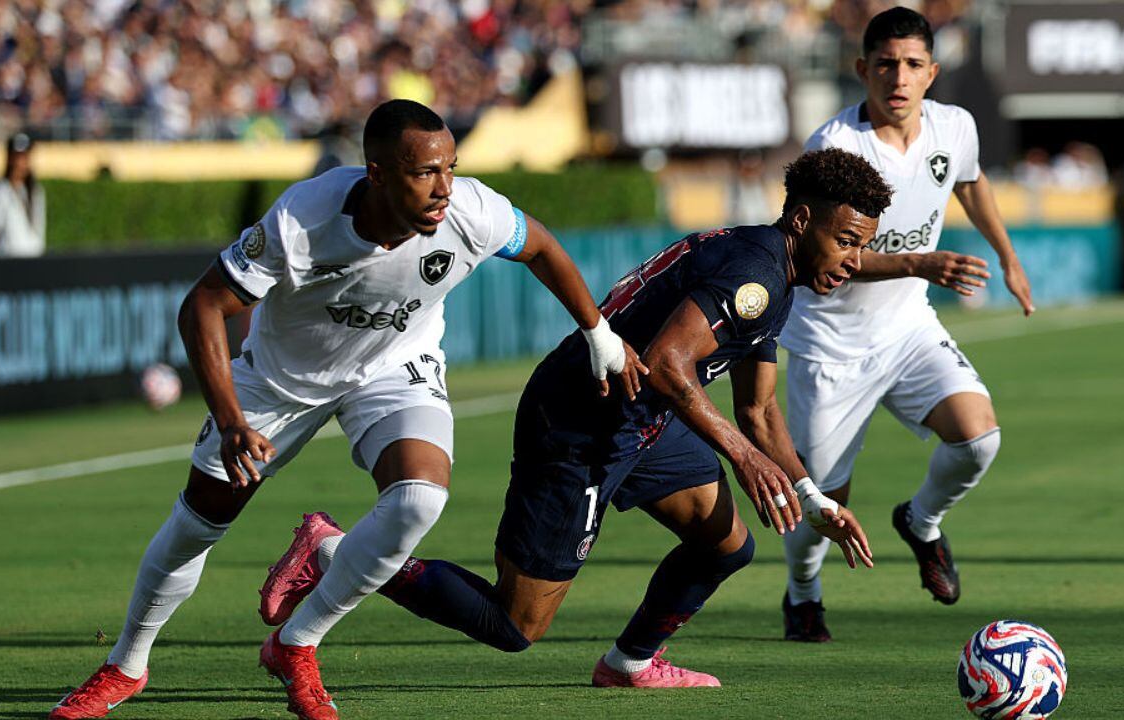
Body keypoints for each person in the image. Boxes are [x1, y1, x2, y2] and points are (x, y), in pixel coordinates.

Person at [47, 99, 640, 720]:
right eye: (424, 174)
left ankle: (296, 642)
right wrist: (230, 420)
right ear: (376, 174)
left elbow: (541, 246)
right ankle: (126, 665)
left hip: (393, 368)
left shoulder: (470, 210)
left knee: (419, 499)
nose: (445, 188)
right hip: (280, 382)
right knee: (197, 526)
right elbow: (203, 305)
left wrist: (598, 334)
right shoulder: (302, 220)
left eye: (451, 168)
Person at [258, 148, 887, 689]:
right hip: (579, 424)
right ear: (803, 220)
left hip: (642, 421)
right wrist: (743, 457)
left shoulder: (771, 268)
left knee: (724, 544)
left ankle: (630, 663)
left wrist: (812, 497)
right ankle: (333, 549)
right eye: (848, 240)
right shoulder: (756, 275)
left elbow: (759, 408)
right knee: (515, 625)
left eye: (865, 245)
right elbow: (668, 362)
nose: (856, 259)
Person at [777, 7, 1034, 643]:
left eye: (913, 65)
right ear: (862, 68)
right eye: (886, 64)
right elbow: (820, 255)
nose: (899, 77)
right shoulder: (835, 147)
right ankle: (803, 593)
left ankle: (921, 523)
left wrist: (1006, 255)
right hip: (830, 345)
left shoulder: (955, 126)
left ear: (932, 73)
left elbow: (970, 184)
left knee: (978, 438)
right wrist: (918, 260)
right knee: (824, 505)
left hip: (908, 328)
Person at [0, 132, 46, 258]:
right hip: (9, 265)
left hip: (34, 264)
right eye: (19, 157)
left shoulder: (36, 191)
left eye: (26, 156)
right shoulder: (1, 191)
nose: (23, 162)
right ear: (10, 158)